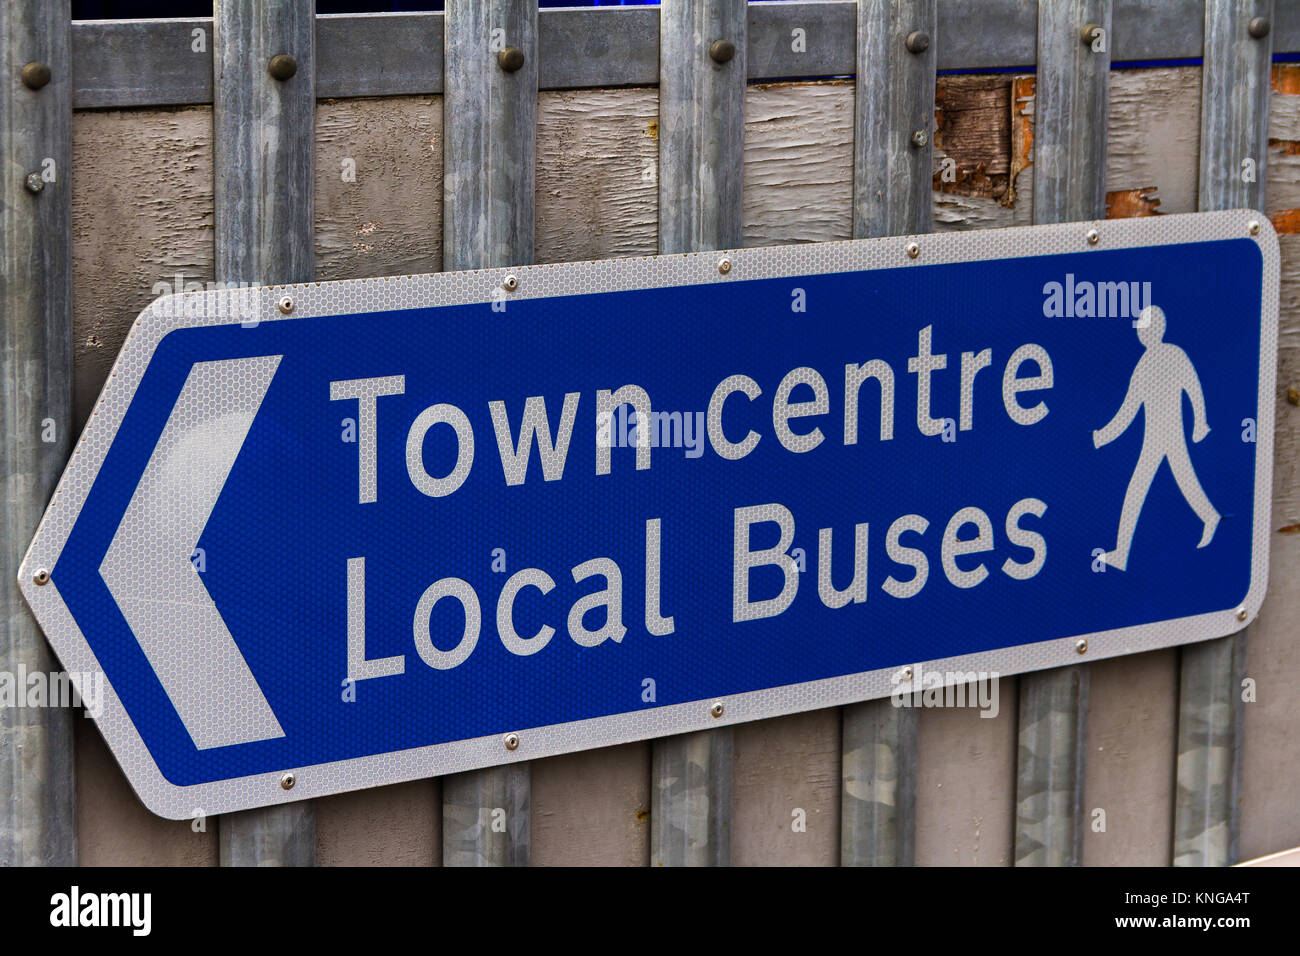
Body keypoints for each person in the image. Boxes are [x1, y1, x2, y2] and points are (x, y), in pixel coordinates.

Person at [1093, 305, 1218, 571]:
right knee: (1175, 483)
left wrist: (1201, 422)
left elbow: (1193, 387)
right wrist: (1104, 435)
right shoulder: (1144, 364)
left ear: (1154, 329)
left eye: (1143, 328)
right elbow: (1128, 409)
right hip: (1156, 437)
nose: (1140, 332)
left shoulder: (1174, 355)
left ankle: (1122, 552)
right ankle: (1210, 517)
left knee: (1144, 488)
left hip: (1169, 434)